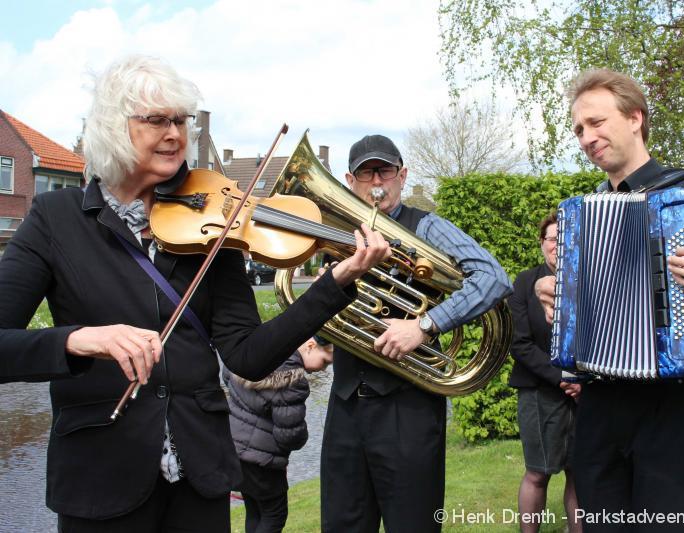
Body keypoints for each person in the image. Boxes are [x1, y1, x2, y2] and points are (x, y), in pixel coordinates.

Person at [0, 54, 389, 532]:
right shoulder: (54, 219)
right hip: (101, 477)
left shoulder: (213, 222)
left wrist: (335, 283)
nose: (175, 134)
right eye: (157, 120)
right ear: (112, 127)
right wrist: (79, 340)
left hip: (200, 480)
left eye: (181, 120)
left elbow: (248, 356)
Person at [534, 69, 684, 532]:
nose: (587, 137)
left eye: (597, 122)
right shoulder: (582, 212)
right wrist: (553, 294)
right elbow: (576, 301)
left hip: (679, 408)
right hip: (600, 404)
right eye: (579, 129)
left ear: (635, 118)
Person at [319, 134, 513, 532]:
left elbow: (493, 277)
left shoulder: (427, 226)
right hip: (345, 407)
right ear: (349, 181)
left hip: (407, 409)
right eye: (366, 173)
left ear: (402, 176)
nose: (376, 182)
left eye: (385, 171)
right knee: (341, 524)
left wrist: (425, 325)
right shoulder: (338, 234)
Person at [508, 212, 581, 533]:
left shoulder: (586, 279)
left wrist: (584, 381)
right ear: (542, 243)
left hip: (584, 394)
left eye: (565, 239)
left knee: (579, 473)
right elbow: (519, 344)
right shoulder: (524, 283)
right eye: (552, 238)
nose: (558, 245)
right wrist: (563, 378)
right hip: (539, 393)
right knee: (538, 473)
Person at [224, 337, 335, 533]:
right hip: (263, 460)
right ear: (310, 346)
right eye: (325, 361)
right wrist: (302, 436)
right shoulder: (292, 380)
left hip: (234, 448)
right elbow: (290, 435)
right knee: (274, 514)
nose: (323, 369)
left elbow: (227, 375)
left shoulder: (259, 352)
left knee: (254, 509)